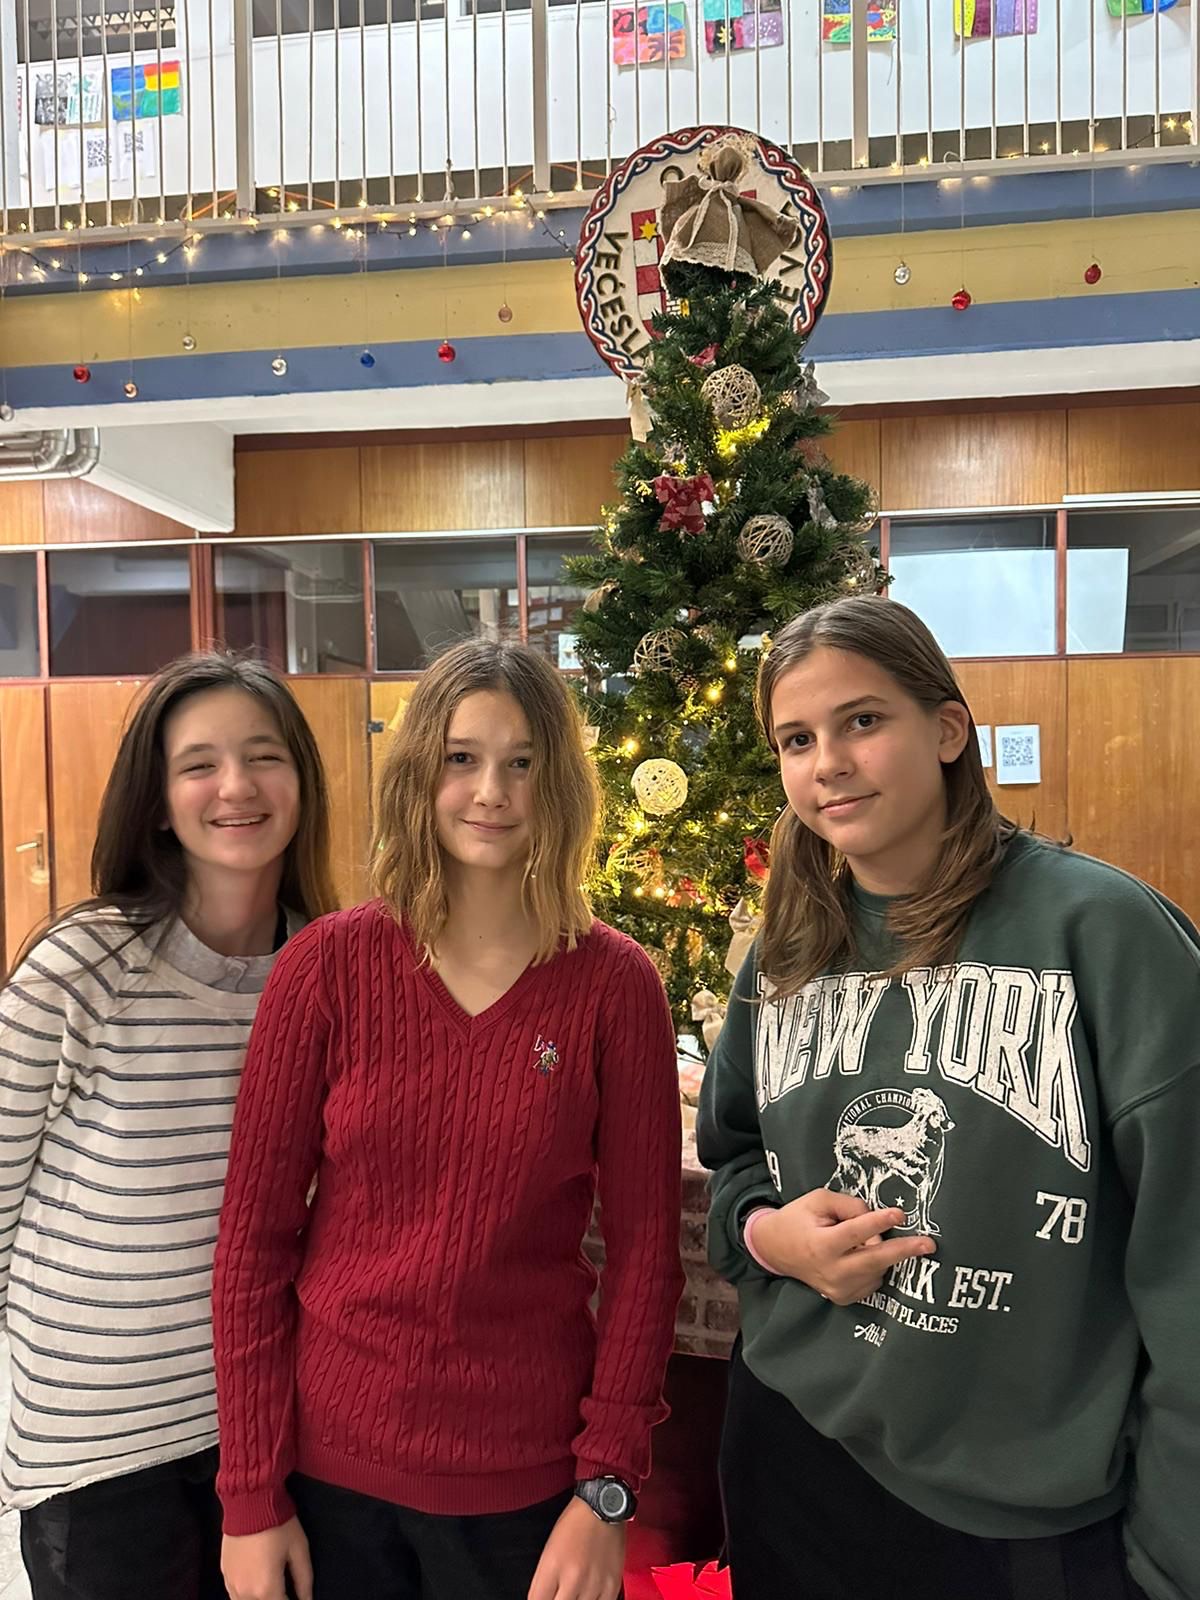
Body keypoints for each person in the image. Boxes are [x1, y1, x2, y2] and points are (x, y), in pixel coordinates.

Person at [698, 594, 1197, 1600]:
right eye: (797, 739)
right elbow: (735, 1162)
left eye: (862, 720)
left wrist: (1173, 1562)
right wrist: (769, 1238)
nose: (828, 763)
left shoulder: (1105, 932)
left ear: (947, 730)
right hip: (792, 1456)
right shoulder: (783, 950)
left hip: (1022, 1514)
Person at [213, 637, 684, 1600]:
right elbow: (253, 1245)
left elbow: (646, 1259)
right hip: (333, 1480)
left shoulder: (616, 985)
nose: (491, 793)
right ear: (420, 774)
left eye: (523, 763)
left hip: (532, 1488)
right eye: (462, 759)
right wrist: (251, 1496)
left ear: (560, 784)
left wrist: (607, 1487)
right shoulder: (326, 969)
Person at [0, 651, 337, 1600]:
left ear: (302, 782)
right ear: (156, 800)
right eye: (199, 764)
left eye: (263, 756)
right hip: (98, 1450)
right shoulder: (82, 967)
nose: (236, 787)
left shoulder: (331, 974)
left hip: (269, 1437)